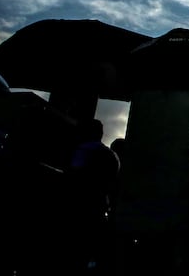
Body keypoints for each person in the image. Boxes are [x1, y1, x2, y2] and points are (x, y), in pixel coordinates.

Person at [66, 118, 121, 275]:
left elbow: (73, 175)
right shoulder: (112, 155)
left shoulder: (84, 150)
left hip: (79, 208)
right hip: (100, 207)